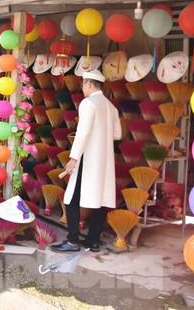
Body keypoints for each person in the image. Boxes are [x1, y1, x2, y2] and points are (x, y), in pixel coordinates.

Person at [51, 70, 121, 253]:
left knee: (71, 199)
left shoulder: (88, 103)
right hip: (104, 162)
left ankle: (73, 241)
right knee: (98, 200)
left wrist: (73, 158)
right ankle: (93, 241)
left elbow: (82, 133)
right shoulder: (110, 107)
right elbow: (117, 134)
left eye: (83, 84)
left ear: (89, 84)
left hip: (88, 159)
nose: (82, 88)